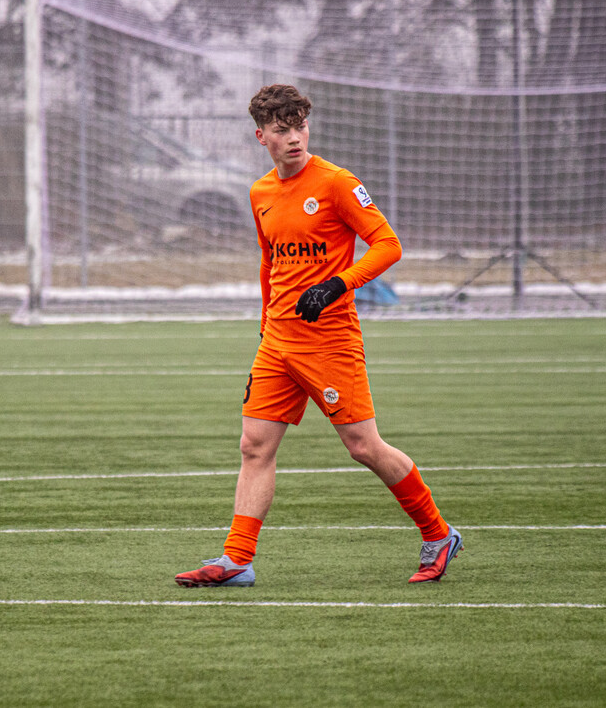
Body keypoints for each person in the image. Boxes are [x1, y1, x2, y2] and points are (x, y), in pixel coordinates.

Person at [175, 84, 461, 588]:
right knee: (254, 446)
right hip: (277, 342)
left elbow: (388, 245)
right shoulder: (260, 193)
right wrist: (266, 322)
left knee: (363, 446)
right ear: (261, 136)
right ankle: (237, 559)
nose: (294, 138)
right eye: (282, 130)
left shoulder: (336, 183)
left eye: (300, 127)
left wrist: (337, 284)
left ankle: (438, 534)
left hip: (330, 340)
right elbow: (269, 262)